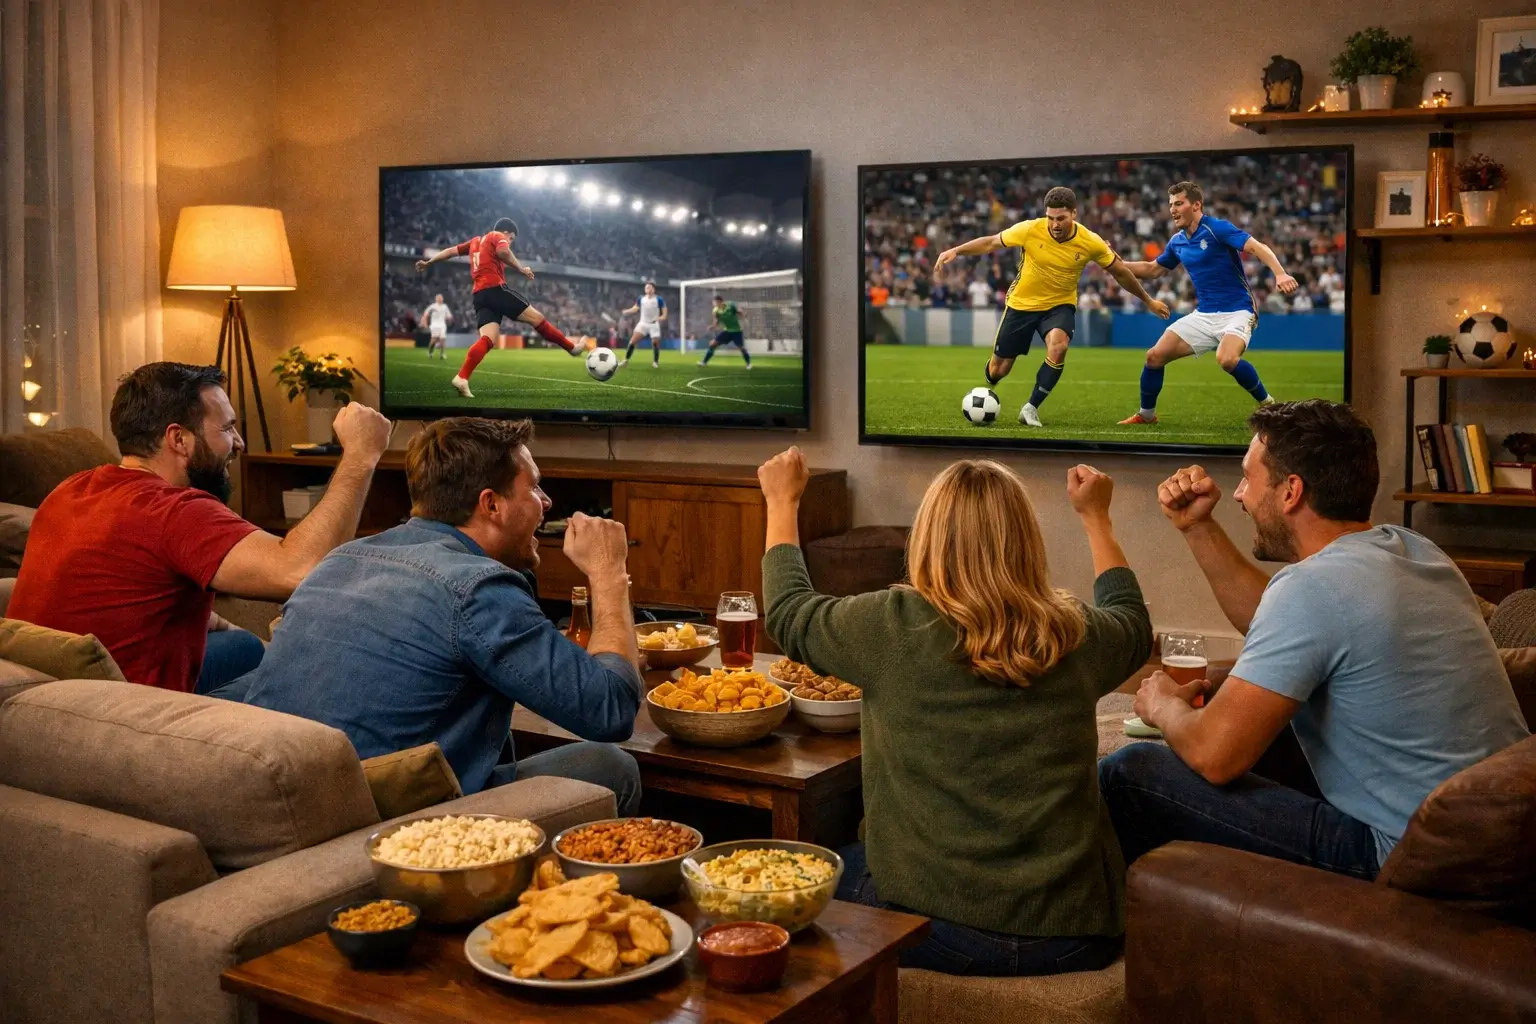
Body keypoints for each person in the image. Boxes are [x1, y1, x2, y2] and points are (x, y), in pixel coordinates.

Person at [757, 447, 1152, 976]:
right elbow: (1132, 621)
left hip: (939, 928)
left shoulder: (890, 624)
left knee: (790, 872)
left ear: (927, 538)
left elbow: (788, 612)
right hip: (1075, 934)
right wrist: (1096, 517)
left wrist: (782, 501)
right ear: (1026, 541)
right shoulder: (1077, 630)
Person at [1099, 400, 1529, 879]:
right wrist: (1196, 525)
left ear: (1291, 491)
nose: (1238, 495)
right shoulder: (1414, 549)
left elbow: (1213, 755)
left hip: (1405, 858)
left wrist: (1162, 706)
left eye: (1248, 478)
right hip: (1497, 848)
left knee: (1131, 772)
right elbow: (1283, 623)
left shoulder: (1313, 588)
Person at [233, 417, 642, 811]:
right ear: (491, 504)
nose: (547, 501)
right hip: (376, 815)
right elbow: (611, 710)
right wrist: (608, 572)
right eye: (534, 487)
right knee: (608, 766)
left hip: (273, 799)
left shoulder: (340, 558)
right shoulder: (477, 588)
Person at [7, 362, 392, 694]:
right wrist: (361, 455)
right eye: (227, 428)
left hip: (48, 704)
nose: (239, 443)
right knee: (310, 676)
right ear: (179, 438)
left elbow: (117, 584)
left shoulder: (70, 490)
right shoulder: (174, 510)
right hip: (129, 715)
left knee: (245, 646)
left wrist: (203, 619)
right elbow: (301, 570)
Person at [933, 186, 1170, 427]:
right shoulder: (1029, 229)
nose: (1055, 224)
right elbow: (991, 242)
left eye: (1061, 218)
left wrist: (1148, 300)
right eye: (1050, 218)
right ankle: (991, 380)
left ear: (1074, 214)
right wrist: (956, 250)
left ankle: (1031, 407)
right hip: (1022, 304)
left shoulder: (1091, 241)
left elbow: (1120, 272)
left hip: (1060, 305)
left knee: (1059, 346)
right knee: (998, 370)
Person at [1116, 181, 1298, 426]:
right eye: (1170, 205)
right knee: (1154, 356)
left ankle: (1269, 405)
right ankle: (1146, 415)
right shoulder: (1177, 242)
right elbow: (1152, 270)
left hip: (1238, 310)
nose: (1173, 210)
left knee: (1227, 360)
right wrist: (1114, 263)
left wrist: (1280, 273)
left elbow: (1257, 247)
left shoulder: (1216, 228)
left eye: (1179, 203)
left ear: (1196, 205)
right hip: (1204, 314)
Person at [414, 217, 591, 399]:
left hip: (479, 296)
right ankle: (572, 349)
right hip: (495, 289)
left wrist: (429, 262)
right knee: (537, 319)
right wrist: (521, 268)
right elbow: (503, 251)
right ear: (507, 232)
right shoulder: (497, 235)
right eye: (511, 238)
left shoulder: (475, 241)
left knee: (487, 339)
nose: (510, 242)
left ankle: (462, 377)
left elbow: (450, 251)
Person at [696, 294, 753, 369]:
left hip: (736, 331)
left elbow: (740, 312)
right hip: (727, 331)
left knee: (742, 348)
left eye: (715, 302)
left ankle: (748, 364)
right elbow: (716, 321)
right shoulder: (715, 310)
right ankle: (704, 362)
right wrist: (712, 326)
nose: (714, 304)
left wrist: (743, 315)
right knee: (712, 344)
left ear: (720, 301)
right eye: (714, 302)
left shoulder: (730, 306)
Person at [619, 282, 666, 369]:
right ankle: (625, 360)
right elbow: (635, 308)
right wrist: (627, 311)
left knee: (655, 343)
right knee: (632, 342)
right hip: (643, 323)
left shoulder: (659, 299)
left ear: (653, 289)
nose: (647, 289)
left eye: (649, 287)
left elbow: (664, 314)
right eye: (646, 287)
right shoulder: (641, 298)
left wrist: (659, 318)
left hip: (653, 325)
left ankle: (655, 362)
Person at [422, 292, 454, 359]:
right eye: (439, 298)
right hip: (434, 325)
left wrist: (450, 318)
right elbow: (425, 314)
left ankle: (442, 354)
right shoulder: (432, 306)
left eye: (441, 298)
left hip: (442, 325)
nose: (440, 299)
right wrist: (425, 323)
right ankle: (430, 352)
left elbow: (449, 315)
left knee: (442, 339)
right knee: (433, 340)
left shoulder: (445, 306)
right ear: (436, 299)